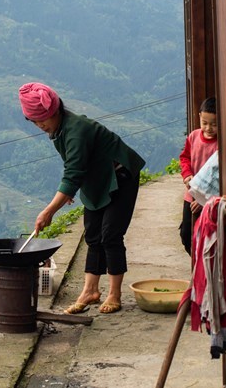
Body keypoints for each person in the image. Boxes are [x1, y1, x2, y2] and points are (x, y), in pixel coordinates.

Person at [18, 82, 145, 314]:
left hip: (120, 177)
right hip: (96, 178)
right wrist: (69, 190)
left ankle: (114, 294)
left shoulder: (76, 130)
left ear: (55, 111)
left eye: (42, 120)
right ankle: (90, 291)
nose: (40, 126)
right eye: (35, 122)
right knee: (93, 234)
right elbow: (74, 167)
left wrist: (49, 211)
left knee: (111, 235)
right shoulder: (59, 128)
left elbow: (73, 172)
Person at [179, 97, 218, 256]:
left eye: (214, 124)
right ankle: (197, 267)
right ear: (199, 116)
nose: (208, 128)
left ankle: (203, 269)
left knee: (206, 236)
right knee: (186, 235)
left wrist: (204, 202)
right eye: (205, 123)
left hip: (210, 199)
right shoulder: (194, 136)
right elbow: (185, 157)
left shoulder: (220, 143)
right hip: (191, 195)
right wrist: (187, 174)